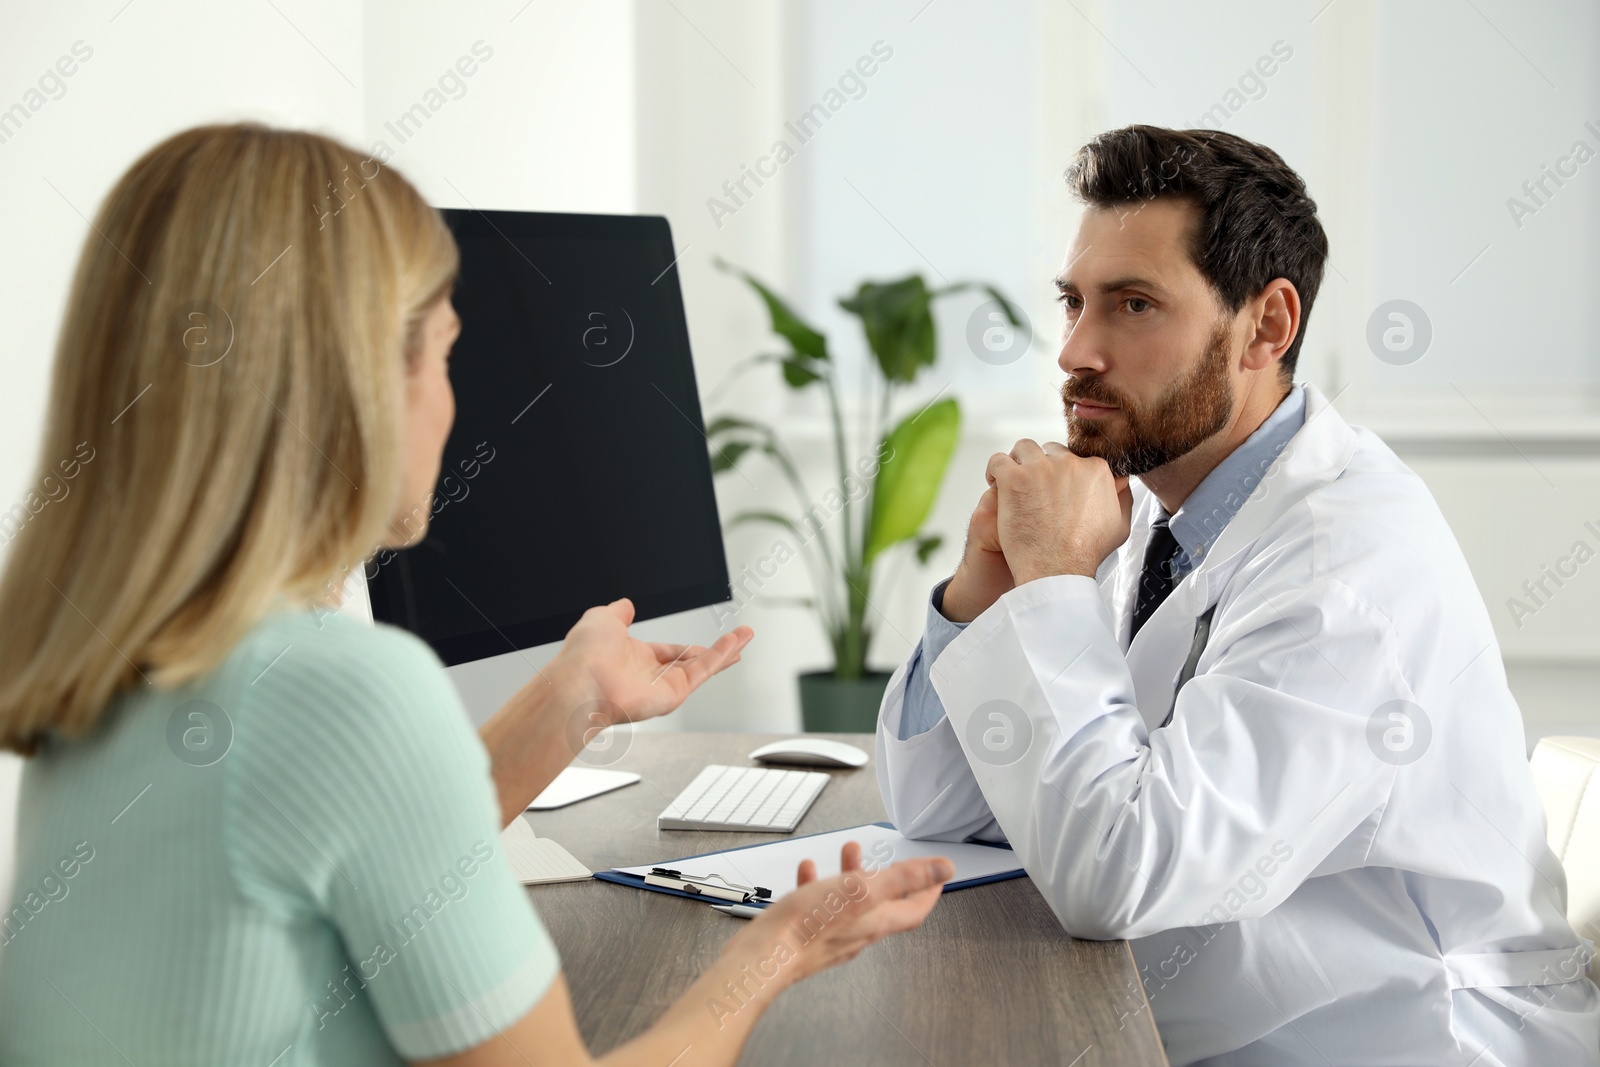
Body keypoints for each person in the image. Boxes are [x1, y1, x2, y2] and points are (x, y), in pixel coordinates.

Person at [0, 123, 953, 1066]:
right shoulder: (345, 689)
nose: (453, 402)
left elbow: (371, 827)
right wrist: (778, 946)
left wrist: (568, 696)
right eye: (446, 352)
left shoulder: (104, 669)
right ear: (360, 384)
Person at [875, 124, 1600, 1065]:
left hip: (1404, 1037)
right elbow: (936, 812)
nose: (1075, 352)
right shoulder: (1151, 511)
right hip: (1209, 1018)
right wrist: (986, 600)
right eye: (1074, 303)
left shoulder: (1349, 564)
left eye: (1133, 304)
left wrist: (1053, 587)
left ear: (1267, 325)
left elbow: (1119, 878)